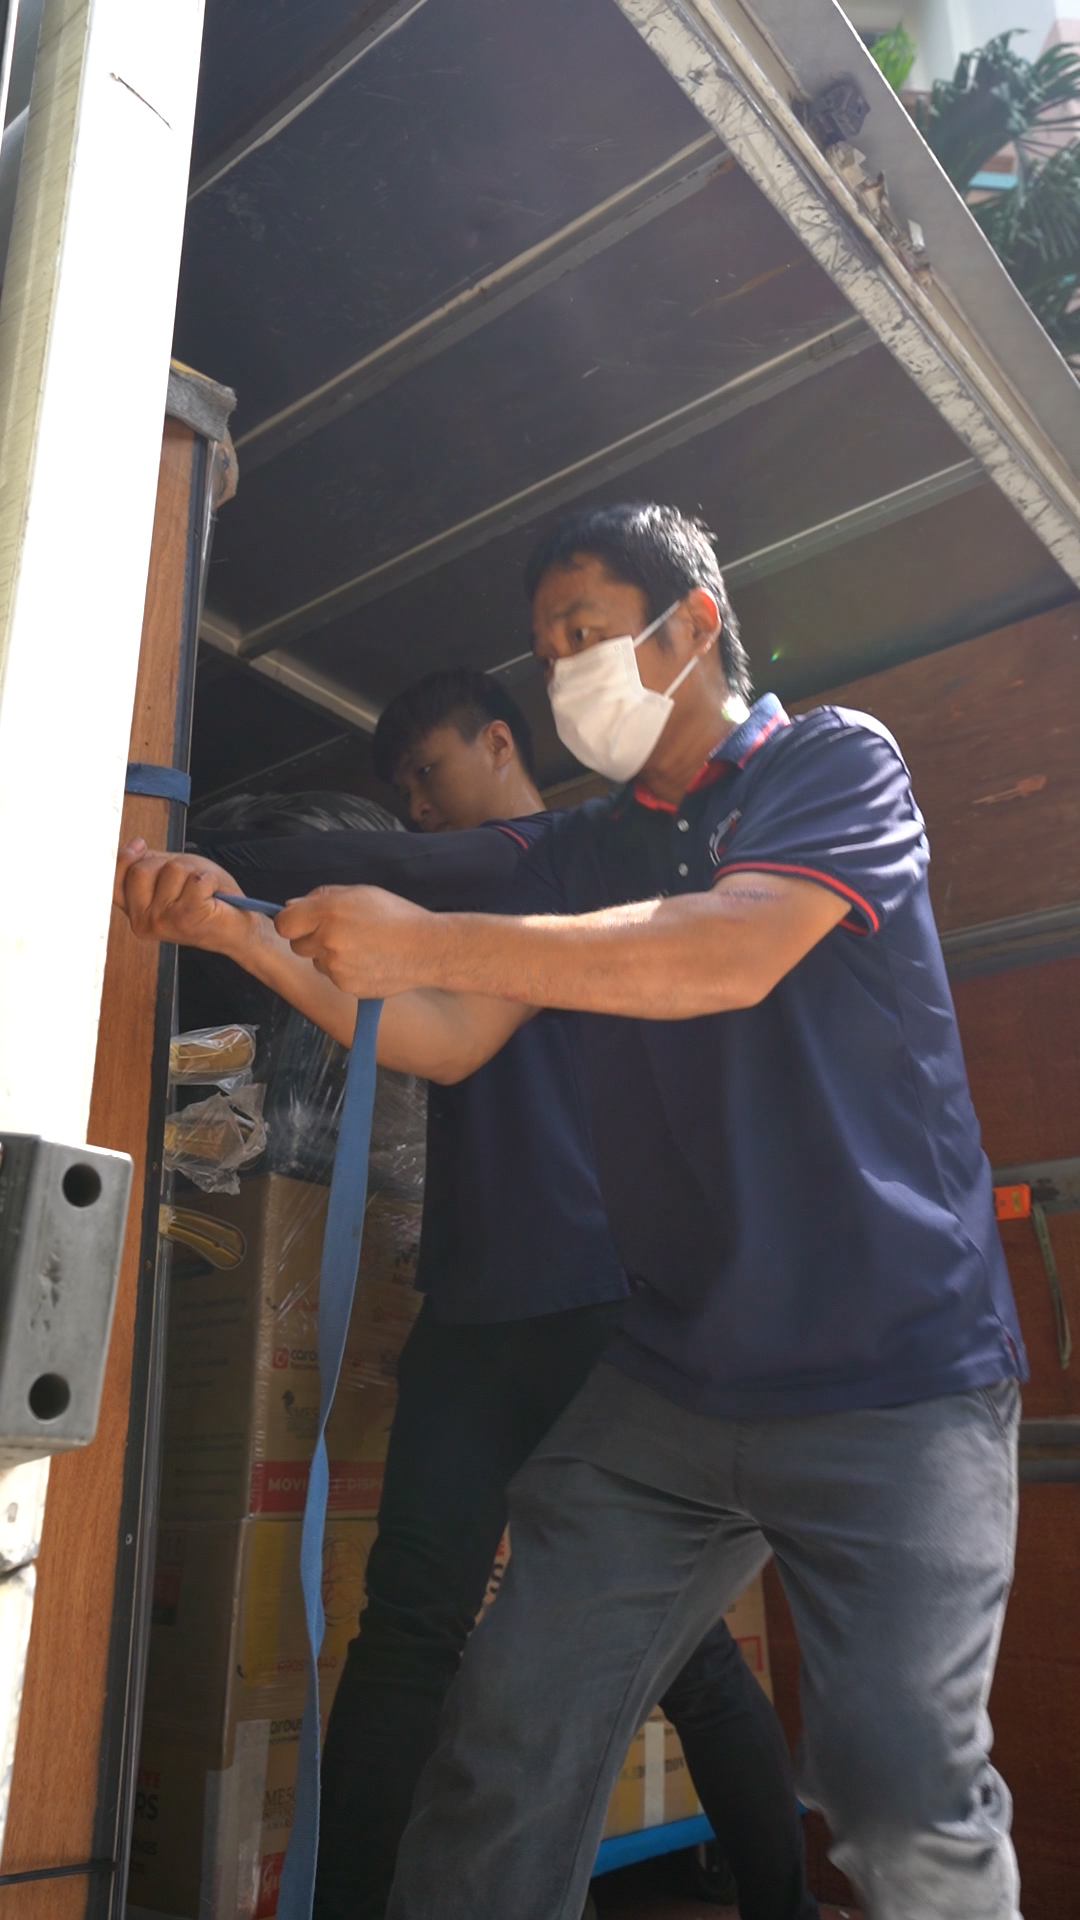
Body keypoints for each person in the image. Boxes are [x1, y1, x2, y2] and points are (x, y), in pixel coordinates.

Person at [120, 500, 1024, 1920]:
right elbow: (449, 1036)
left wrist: (420, 934)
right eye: (545, 650)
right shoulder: (599, 847)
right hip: (673, 1378)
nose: (562, 676)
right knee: (506, 1744)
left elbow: (726, 951)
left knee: (902, 1797)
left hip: (891, 1374)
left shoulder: (834, 764)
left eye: (586, 634)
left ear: (696, 624)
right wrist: (234, 923)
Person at [126, 669, 818, 1920]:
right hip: (475, 1309)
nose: (417, 810)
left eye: (429, 775)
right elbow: (425, 1033)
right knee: (411, 1625)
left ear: (501, 745)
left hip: (598, 1307)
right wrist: (233, 922)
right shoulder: (487, 906)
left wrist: (164, 838)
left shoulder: (548, 858)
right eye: (401, 793)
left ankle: (785, 1900)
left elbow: (380, 869)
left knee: (685, 1656)